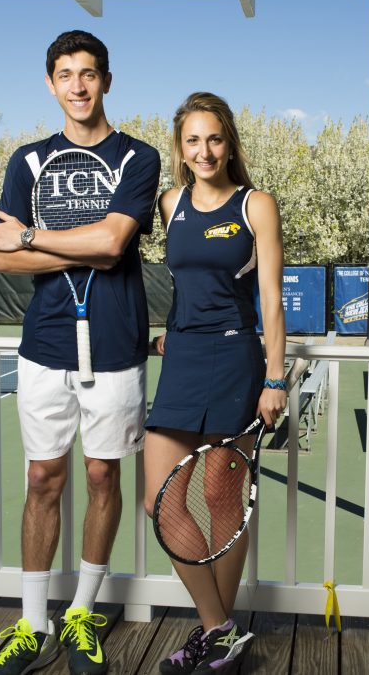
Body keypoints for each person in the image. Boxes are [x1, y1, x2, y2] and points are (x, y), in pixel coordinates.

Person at [0, 30, 160, 675]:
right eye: (66, 74)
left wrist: (33, 235)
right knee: (42, 480)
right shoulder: (28, 159)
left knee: (102, 477)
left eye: (89, 74)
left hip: (116, 346)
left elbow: (113, 245)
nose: (78, 86)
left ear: (106, 81)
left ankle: (82, 614)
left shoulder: (139, 158)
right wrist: (63, 245)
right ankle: (32, 625)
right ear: (51, 84)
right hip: (45, 345)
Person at [143, 92, 287, 675]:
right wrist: (163, 336)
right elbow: (182, 285)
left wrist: (275, 379)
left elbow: (272, 300)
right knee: (160, 501)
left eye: (214, 139)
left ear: (229, 145)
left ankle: (215, 636)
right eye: (192, 140)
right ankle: (219, 629)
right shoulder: (169, 202)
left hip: (235, 362)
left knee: (220, 499)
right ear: (180, 149)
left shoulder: (257, 205)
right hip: (181, 363)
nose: (204, 150)